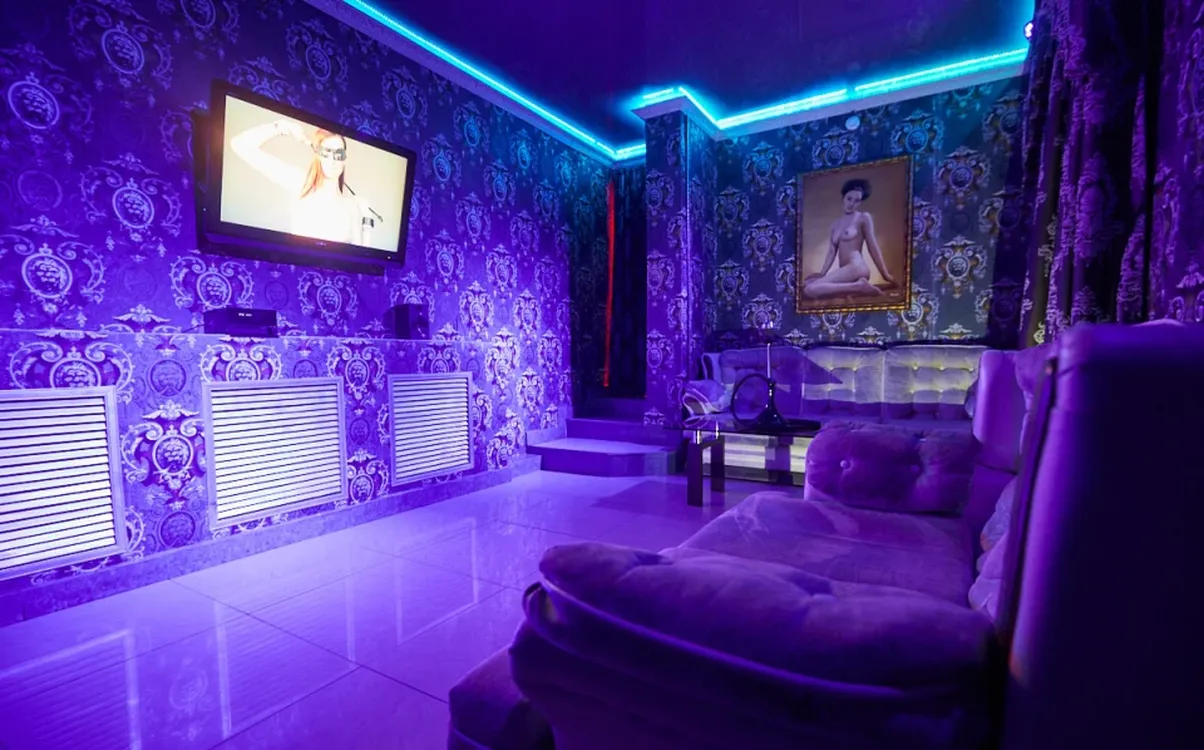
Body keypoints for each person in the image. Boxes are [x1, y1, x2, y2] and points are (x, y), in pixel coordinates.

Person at [230, 119, 377, 246]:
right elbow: (240, 145)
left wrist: (367, 219)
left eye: (339, 154)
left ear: (344, 159)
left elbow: (360, 257)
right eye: (326, 152)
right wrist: (282, 127)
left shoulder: (351, 205)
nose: (333, 160)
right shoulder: (301, 182)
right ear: (318, 154)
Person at [800, 178, 897, 300]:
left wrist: (885, 275)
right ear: (843, 198)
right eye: (849, 199)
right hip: (845, 272)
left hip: (857, 267)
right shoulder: (836, 225)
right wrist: (822, 274)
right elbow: (831, 252)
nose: (851, 204)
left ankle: (860, 287)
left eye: (857, 201)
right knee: (808, 286)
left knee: (810, 290)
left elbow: (873, 247)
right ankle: (855, 287)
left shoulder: (863, 218)